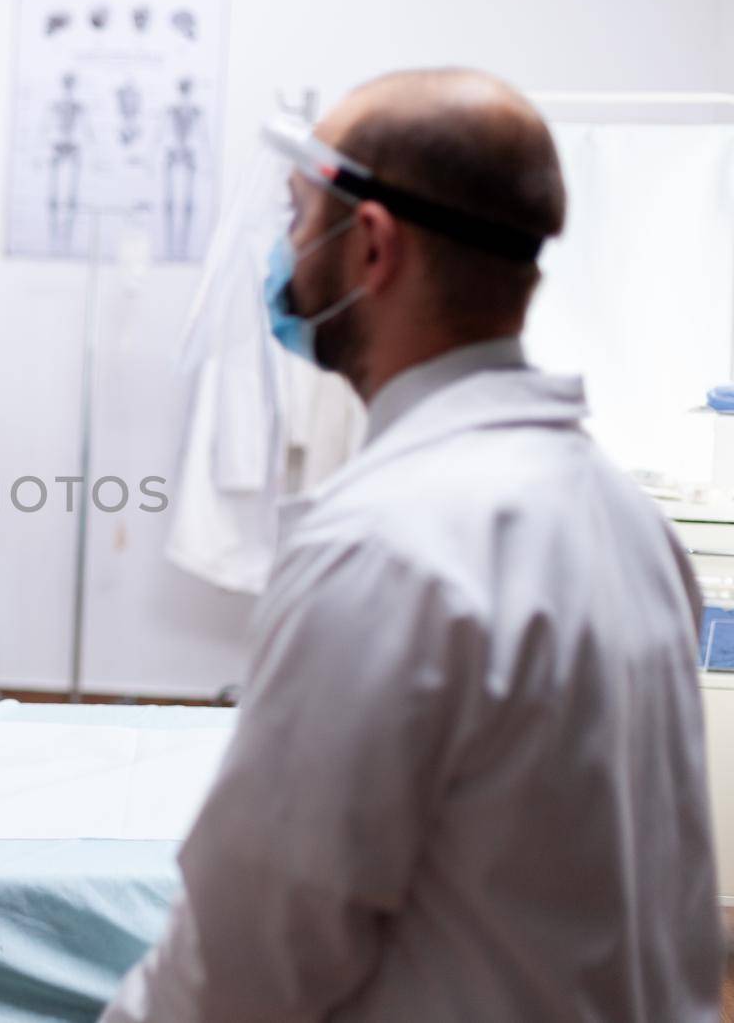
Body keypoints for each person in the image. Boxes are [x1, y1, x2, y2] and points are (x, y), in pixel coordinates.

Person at [102, 68, 722, 1022]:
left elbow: (241, 970)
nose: (285, 252)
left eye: (298, 216)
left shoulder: (384, 546)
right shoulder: (629, 522)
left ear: (374, 246)